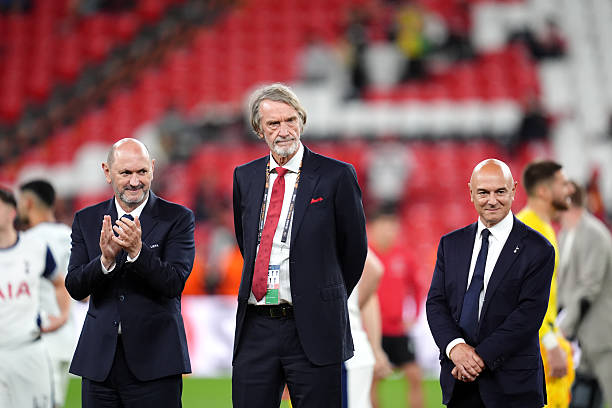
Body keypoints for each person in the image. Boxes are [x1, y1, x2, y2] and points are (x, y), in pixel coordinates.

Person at [232, 83, 368, 407]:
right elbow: (247, 243)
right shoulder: (245, 177)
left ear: (302, 122)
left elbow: (355, 250)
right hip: (256, 325)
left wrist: (322, 295)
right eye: (273, 124)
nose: (284, 131)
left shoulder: (336, 175)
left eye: (290, 120)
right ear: (259, 130)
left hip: (314, 326)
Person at [65, 138, 195, 407]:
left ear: (153, 168)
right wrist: (105, 261)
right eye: (126, 173)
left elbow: (173, 283)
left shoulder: (178, 218)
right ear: (107, 172)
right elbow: (75, 287)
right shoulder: (86, 220)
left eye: (142, 171)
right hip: (99, 364)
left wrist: (138, 252)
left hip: (156, 362)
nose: (135, 181)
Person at [426, 158, 555, 407]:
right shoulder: (450, 244)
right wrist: (456, 348)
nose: (492, 200)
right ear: (471, 193)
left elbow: (528, 316)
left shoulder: (538, 249)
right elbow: (436, 303)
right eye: (483, 192)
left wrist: (477, 359)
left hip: (514, 389)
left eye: (500, 192)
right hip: (460, 385)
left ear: (514, 190)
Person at [517, 160, 575, 407]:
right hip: (535, 345)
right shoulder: (529, 231)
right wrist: (549, 343)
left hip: (544, 338)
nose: (570, 189)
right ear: (543, 191)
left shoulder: (543, 227)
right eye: (563, 184)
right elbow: (522, 296)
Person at [0, 187, 63, 408]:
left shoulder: (35, 247)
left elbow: (59, 283)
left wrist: (62, 316)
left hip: (28, 349)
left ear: (12, 212)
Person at [17, 179, 76, 408]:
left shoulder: (27, 242)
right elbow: (84, 294)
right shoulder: (71, 236)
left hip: (38, 337)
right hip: (66, 337)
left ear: (28, 202)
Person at [558, 181, 612, 407]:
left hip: (602, 335)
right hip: (582, 338)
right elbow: (564, 286)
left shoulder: (594, 234)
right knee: (583, 398)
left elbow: (590, 288)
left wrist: (564, 327)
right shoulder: (565, 234)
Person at [368, 205, 424, 408]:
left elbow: (417, 288)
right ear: (372, 227)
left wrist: (414, 315)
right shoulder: (365, 256)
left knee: (415, 375)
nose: (388, 231)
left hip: (398, 329)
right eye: (384, 225)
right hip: (372, 331)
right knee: (372, 380)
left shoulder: (404, 255)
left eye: (392, 226)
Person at [343, 250, 392, 408]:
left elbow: (373, 269)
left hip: (344, 349)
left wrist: (344, 313)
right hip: (352, 344)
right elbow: (371, 293)